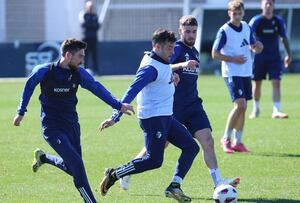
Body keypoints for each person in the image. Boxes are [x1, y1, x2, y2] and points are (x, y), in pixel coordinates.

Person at [118, 15, 240, 191]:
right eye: (188, 31)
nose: (191, 35)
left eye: (194, 31)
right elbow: (162, 67)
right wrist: (181, 65)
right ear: (180, 30)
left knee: (207, 140)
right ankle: (128, 171)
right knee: (159, 147)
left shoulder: (195, 51)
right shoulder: (175, 49)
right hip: (173, 107)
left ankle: (217, 182)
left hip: (193, 106)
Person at [13, 38, 134, 203]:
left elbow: (96, 88)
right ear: (68, 55)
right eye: (80, 56)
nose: (83, 61)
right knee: (77, 165)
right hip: (52, 127)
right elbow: (29, 85)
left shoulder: (78, 73)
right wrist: (21, 111)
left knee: (72, 168)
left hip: (72, 125)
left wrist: (118, 105)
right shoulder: (45, 71)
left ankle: (44, 158)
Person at [98, 28, 200, 202]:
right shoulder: (149, 69)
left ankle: (174, 186)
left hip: (166, 117)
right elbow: (131, 91)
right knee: (154, 160)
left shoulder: (161, 58)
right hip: (153, 119)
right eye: (169, 48)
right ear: (157, 47)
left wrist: (172, 74)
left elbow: (164, 69)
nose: (173, 51)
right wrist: (115, 116)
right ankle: (114, 174)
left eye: (173, 47)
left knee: (192, 147)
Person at [212, 0, 263, 154]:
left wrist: (258, 47)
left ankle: (238, 142)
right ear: (229, 14)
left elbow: (253, 45)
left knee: (244, 106)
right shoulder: (224, 30)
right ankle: (225, 139)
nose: (237, 16)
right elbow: (215, 54)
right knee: (240, 105)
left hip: (246, 72)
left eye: (240, 13)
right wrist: (234, 59)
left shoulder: (247, 27)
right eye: (234, 13)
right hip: (231, 72)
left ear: (243, 13)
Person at [248, 0, 292, 119]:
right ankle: (256, 109)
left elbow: (284, 38)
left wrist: (289, 54)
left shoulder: (278, 21)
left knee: (276, 82)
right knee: (257, 84)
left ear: (274, 6)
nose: (268, 5)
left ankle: (276, 110)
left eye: (270, 3)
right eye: (266, 3)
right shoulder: (256, 20)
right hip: (259, 58)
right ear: (261, 5)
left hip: (274, 58)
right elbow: (247, 37)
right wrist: (251, 49)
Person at [79, 1, 100, 75]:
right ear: (87, 7)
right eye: (89, 7)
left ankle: (96, 71)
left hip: (93, 38)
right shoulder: (84, 14)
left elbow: (97, 26)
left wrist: (91, 25)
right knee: (85, 55)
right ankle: (83, 70)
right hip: (85, 39)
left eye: (92, 7)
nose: (91, 8)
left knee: (94, 55)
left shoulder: (95, 15)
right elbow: (84, 25)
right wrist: (92, 25)